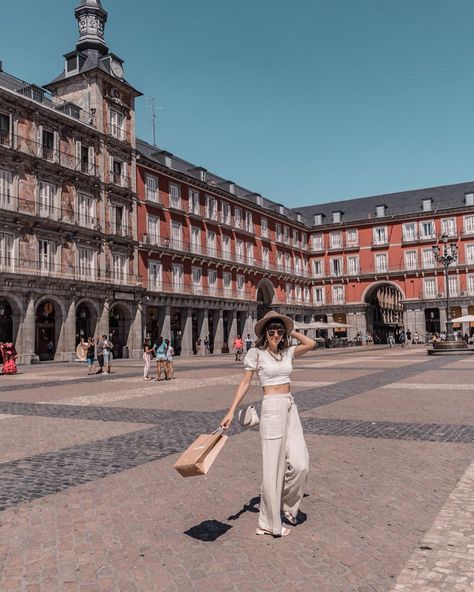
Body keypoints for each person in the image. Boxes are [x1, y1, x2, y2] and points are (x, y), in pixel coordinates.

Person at [221, 311, 315, 537]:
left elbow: (311, 343)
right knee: (273, 468)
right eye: (271, 331)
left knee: (301, 463)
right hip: (271, 408)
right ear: (264, 333)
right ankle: (269, 523)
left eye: (279, 331)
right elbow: (244, 384)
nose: (275, 334)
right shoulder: (256, 354)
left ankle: (288, 506)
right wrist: (231, 411)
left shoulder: (287, 352)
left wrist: (290, 329)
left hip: (290, 407)